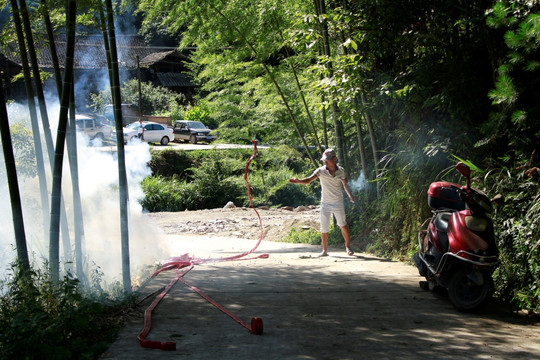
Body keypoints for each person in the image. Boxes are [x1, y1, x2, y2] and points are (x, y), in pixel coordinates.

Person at [289, 149, 356, 257]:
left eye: (327, 160)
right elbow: (309, 180)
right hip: (325, 203)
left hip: (338, 202)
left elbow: (345, 184)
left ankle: (348, 246)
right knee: (324, 228)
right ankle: (324, 251)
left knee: (343, 225)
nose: (325, 162)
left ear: (334, 159)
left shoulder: (341, 171)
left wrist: (350, 195)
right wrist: (299, 181)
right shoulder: (320, 171)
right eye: (324, 160)